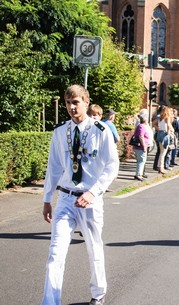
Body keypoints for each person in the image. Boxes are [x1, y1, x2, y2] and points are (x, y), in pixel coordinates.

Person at [41, 85, 119, 305]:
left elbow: (112, 166)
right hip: (65, 198)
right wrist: (47, 199)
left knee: (94, 248)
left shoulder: (100, 130)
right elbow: (54, 167)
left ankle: (98, 293)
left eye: (76, 102)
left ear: (86, 101)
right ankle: (50, 301)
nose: (72, 107)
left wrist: (93, 193)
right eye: (68, 103)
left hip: (89, 199)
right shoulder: (59, 132)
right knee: (55, 253)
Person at [133, 113, 150, 181]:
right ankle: (139, 175)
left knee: (140, 160)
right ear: (145, 120)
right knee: (141, 160)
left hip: (139, 147)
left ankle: (139, 174)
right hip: (140, 147)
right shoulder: (141, 127)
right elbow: (141, 136)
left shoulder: (140, 126)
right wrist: (144, 146)